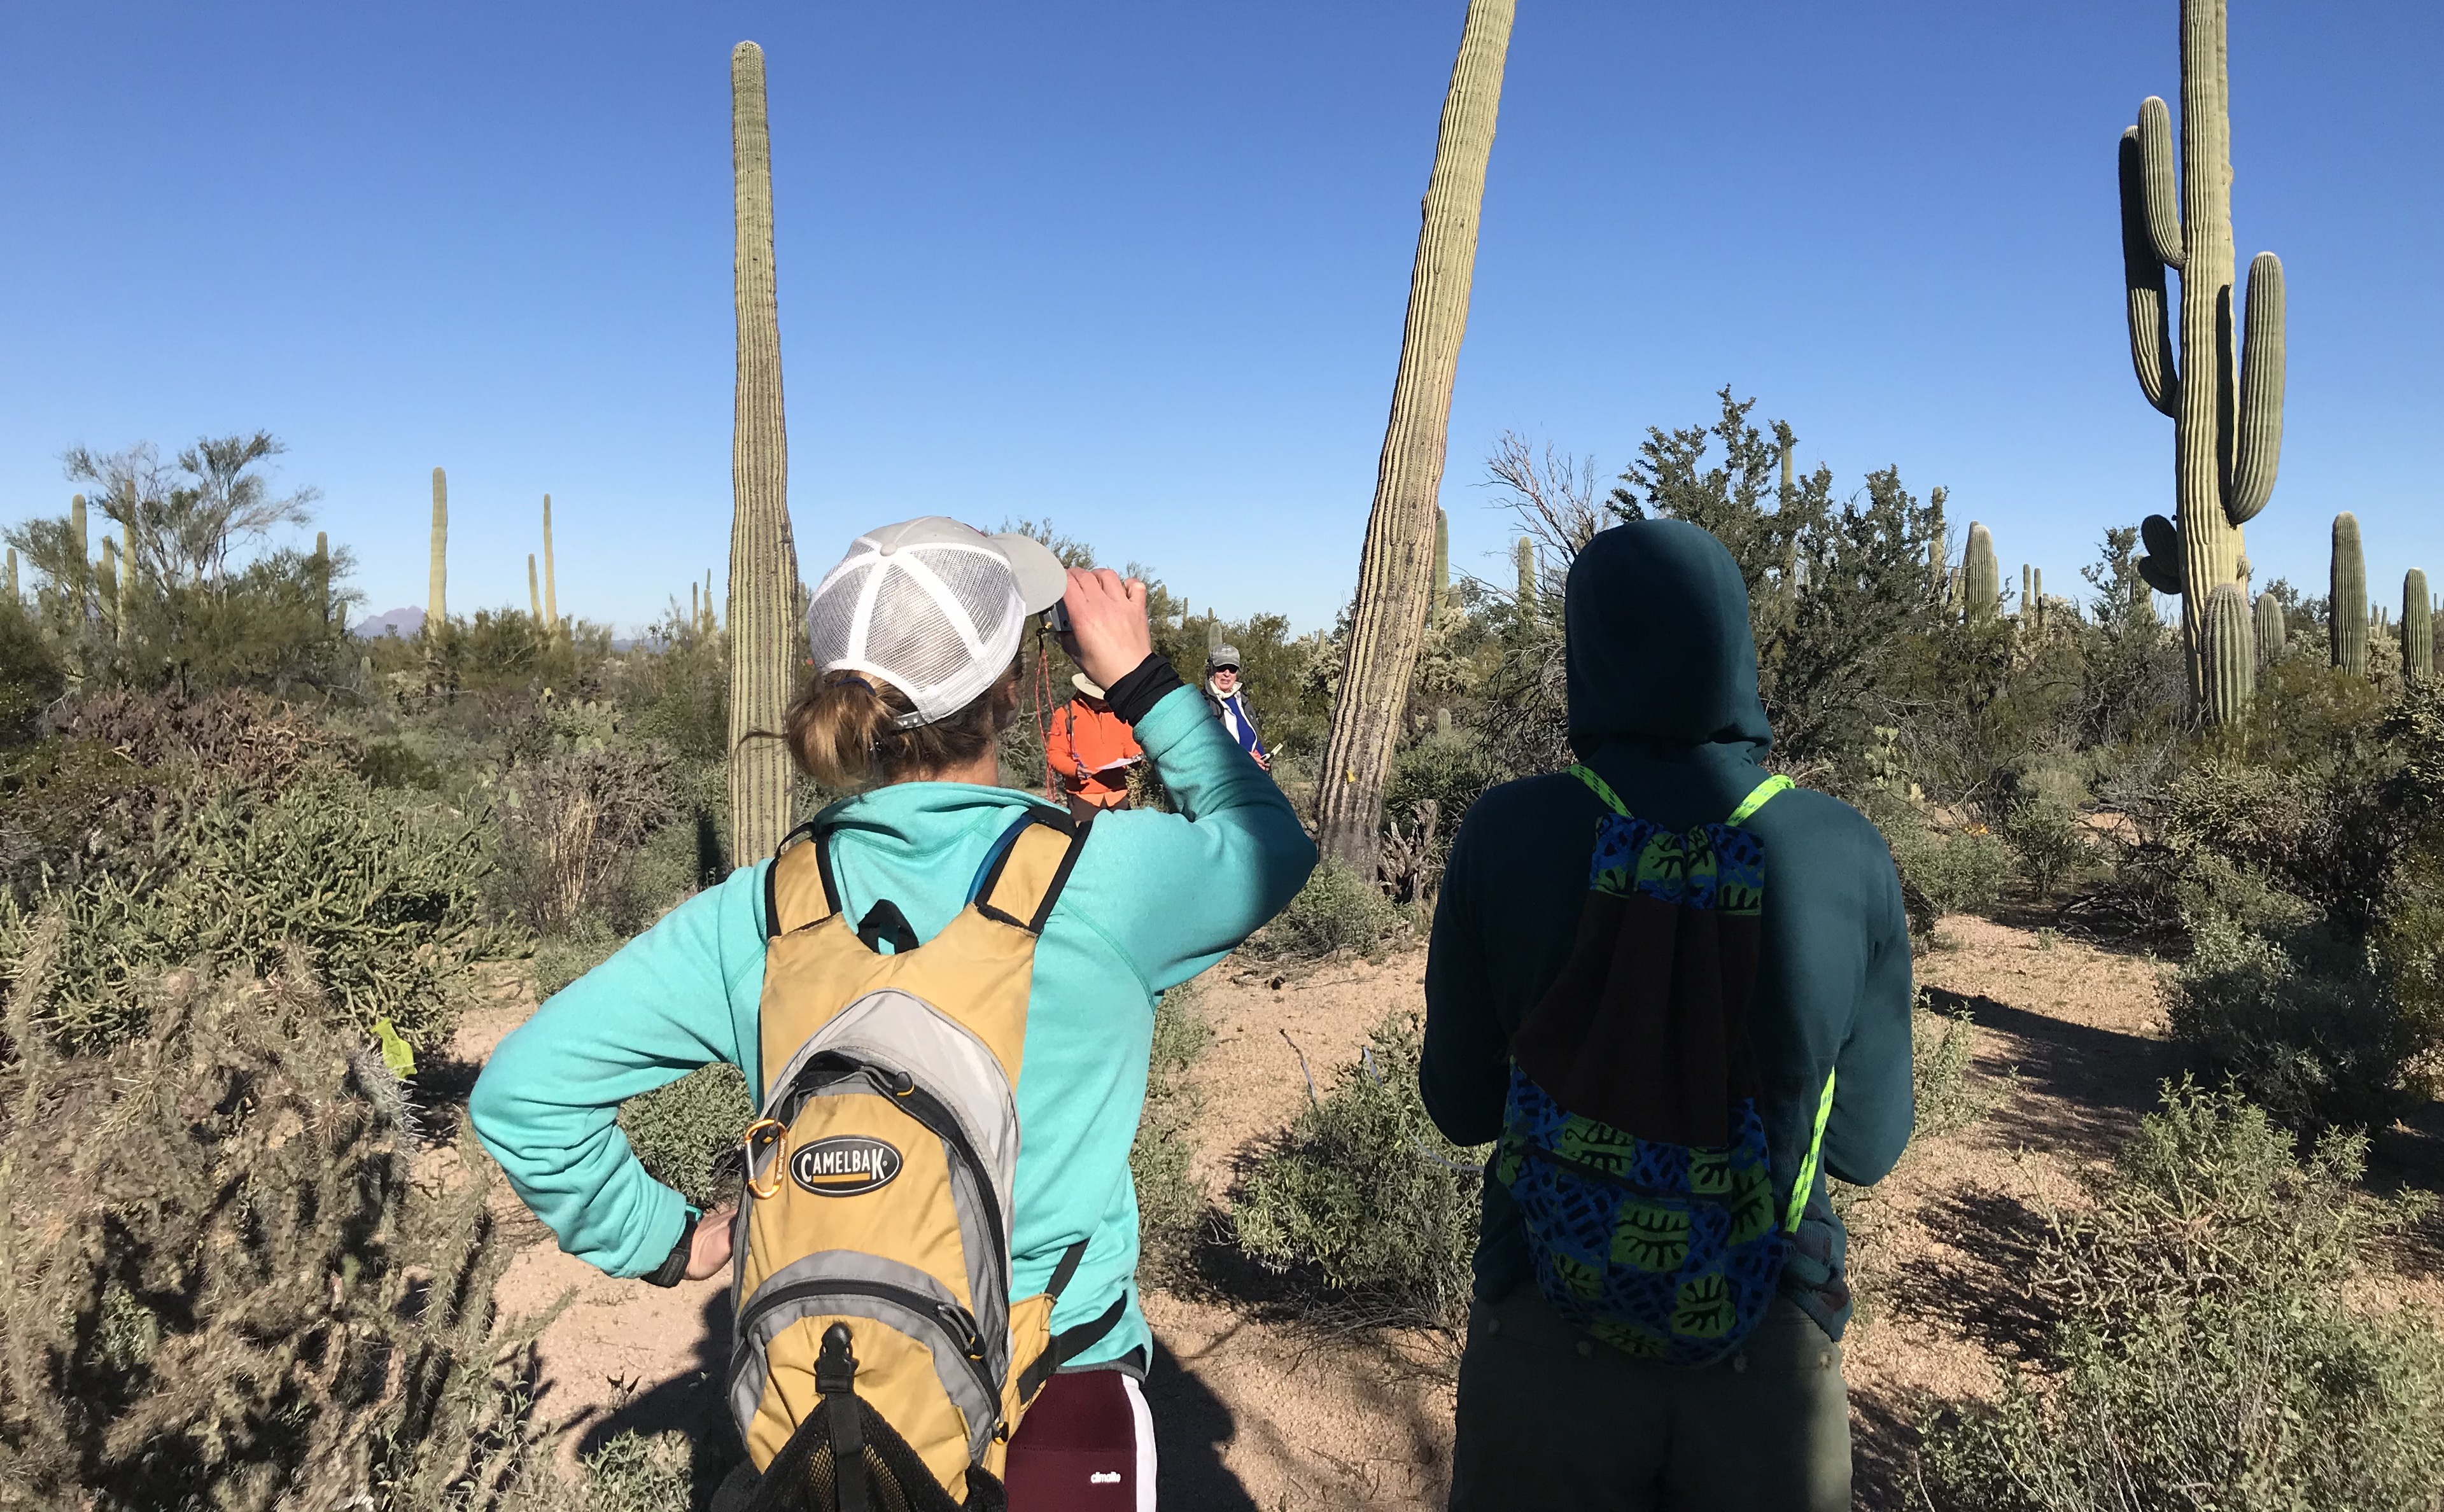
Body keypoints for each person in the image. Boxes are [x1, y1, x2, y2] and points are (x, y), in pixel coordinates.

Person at [471, 517, 1315, 1511]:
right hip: (1060, 1373)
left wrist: (677, 1241)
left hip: (835, 1403)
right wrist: (1141, 680)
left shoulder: (763, 910)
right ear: (1009, 690)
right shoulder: (1106, 882)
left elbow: (523, 1095)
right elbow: (1269, 839)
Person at [1419, 518, 1913, 1512]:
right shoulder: (1840, 848)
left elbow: (1461, 1107)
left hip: (1546, 1330)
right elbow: (1867, 1146)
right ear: (1731, 640)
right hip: (1766, 1347)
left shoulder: (1505, 831)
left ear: (1584, 649)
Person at [1047, 669, 1143, 819]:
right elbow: (1055, 754)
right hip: (1084, 799)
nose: (1104, 702)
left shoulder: (1117, 712)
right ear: (1085, 693)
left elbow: (1128, 742)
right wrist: (1074, 770)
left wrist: (1135, 756)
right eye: (1099, 698)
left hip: (1118, 796)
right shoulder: (1065, 715)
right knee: (1086, 841)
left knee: (1121, 841)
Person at [1202, 641, 1268, 771]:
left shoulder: (1242, 701)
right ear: (1212, 669)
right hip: (1227, 780)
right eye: (1222, 668)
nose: (1227, 674)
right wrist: (1243, 758)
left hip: (1252, 778)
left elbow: (1255, 740)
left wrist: (1263, 762)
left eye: (1232, 669)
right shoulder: (1204, 704)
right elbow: (1207, 749)